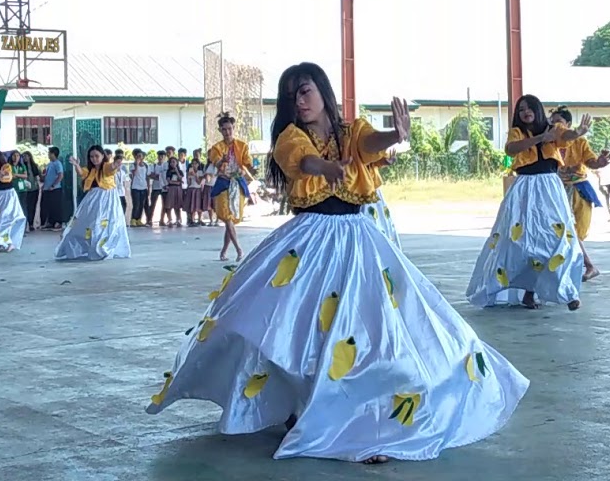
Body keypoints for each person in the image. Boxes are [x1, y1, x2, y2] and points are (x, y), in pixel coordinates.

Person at [146, 62, 528, 463]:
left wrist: (395, 135)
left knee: (366, 330)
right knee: (301, 331)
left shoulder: (351, 132)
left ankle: (358, 421)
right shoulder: (291, 137)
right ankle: (303, 405)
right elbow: (303, 161)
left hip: (358, 238)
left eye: (305, 91)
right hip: (310, 240)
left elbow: (370, 143)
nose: (300, 101)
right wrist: (327, 167)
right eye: (292, 96)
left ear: (323, 92)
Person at [466, 95, 589, 311]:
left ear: (537, 110)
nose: (525, 112)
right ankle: (522, 292)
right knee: (520, 242)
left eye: (529, 108)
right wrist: (541, 138)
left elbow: (565, 136)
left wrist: (577, 132)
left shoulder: (554, 128)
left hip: (549, 188)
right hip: (525, 187)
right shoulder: (517, 132)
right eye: (521, 109)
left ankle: (567, 292)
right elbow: (511, 149)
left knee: (556, 238)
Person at [550, 108, 610, 281]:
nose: (555, 126)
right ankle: (587, 265)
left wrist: (599, 163)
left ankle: (586, 265)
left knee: (576, 231)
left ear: (568, 124)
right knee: (563, 229)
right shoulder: (549, 142)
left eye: (558, 122)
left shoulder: (580, 142)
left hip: (578, 189)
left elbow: (592, 162)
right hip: (556, 190)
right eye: (552, 122)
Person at [53, 145, 131, 261]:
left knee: (103, 224)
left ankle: (102, 248)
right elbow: (81, 173)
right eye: (91, 157)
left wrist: (116, 164)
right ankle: (82, 246)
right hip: (92, 199)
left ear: (102, 156)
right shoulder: (91, 169)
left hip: (107, 200)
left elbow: (111, 168)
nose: (94, 159)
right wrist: (76, 165)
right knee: (84, 223)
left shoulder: (106, 167)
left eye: (96, 156)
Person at [208, 112, 253, 260]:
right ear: (220, 130)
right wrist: (222, 161)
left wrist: (249, 170)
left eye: (229, 129)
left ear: (234, 128)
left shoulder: (242, 146)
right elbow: (217, 163)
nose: (227, 132)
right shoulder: (216, 148)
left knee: (231, 221)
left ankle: (223, 252)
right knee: (227, 217)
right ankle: (239, 250)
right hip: (223, 183)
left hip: (237, 183)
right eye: (224, 129)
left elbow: (247, 164)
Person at [360, 153, 399, 249]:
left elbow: (371, 159)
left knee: (378, 224)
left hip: (369, 184)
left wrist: (383, 160)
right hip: (353, 186)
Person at [41, 147, 66, 231]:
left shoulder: (58, 163)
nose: (48, 155)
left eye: (49, 153)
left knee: (56, 206)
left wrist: (53, 185)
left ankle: (58, 222)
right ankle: (50, 222)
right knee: (48, 206)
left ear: (53, 154)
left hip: (55, 189)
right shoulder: (49, 164)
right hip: (47, 189)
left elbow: (60, 175)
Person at [592, 149, 610, 221]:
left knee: (608, 199)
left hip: (606, 183)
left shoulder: (603, 162)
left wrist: (597, 173)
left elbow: (597, 171)